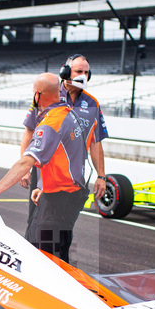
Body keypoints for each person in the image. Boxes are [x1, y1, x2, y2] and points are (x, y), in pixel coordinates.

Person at [0, 72, 88, 263]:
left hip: (60, 199)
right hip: (66, 194)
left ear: (37, 95)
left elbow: (26, 161)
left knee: (45, 259)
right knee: (53, 251)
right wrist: (44, 187)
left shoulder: (51, 122)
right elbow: (69, 158)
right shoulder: (67, 113)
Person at [20, 54, 107, 224]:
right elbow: (29, 131)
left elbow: (96, 143)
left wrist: (101, 176)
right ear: (65, 72)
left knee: (64, 230)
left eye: (86, 72)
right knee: (37, 225)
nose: (83, 76)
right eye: (78, 71)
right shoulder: (48, 94)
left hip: (74, 180)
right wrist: (25, 167)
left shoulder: (93, 104)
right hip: (45, 177)